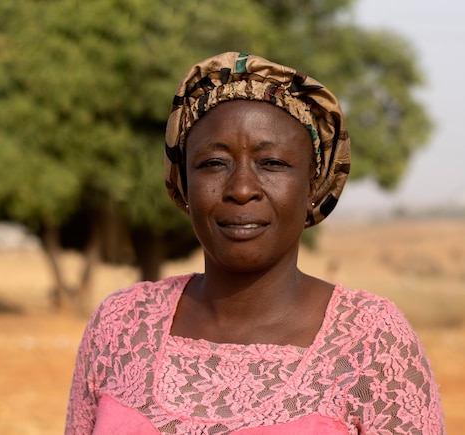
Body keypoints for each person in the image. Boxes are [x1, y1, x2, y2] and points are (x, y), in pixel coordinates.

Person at [65, 52, 445, 434]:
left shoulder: (371, 343)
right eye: (214, 163)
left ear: (313, 185)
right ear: (183, 184)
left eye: (273, 164)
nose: (242, 189)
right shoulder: (120, 325)